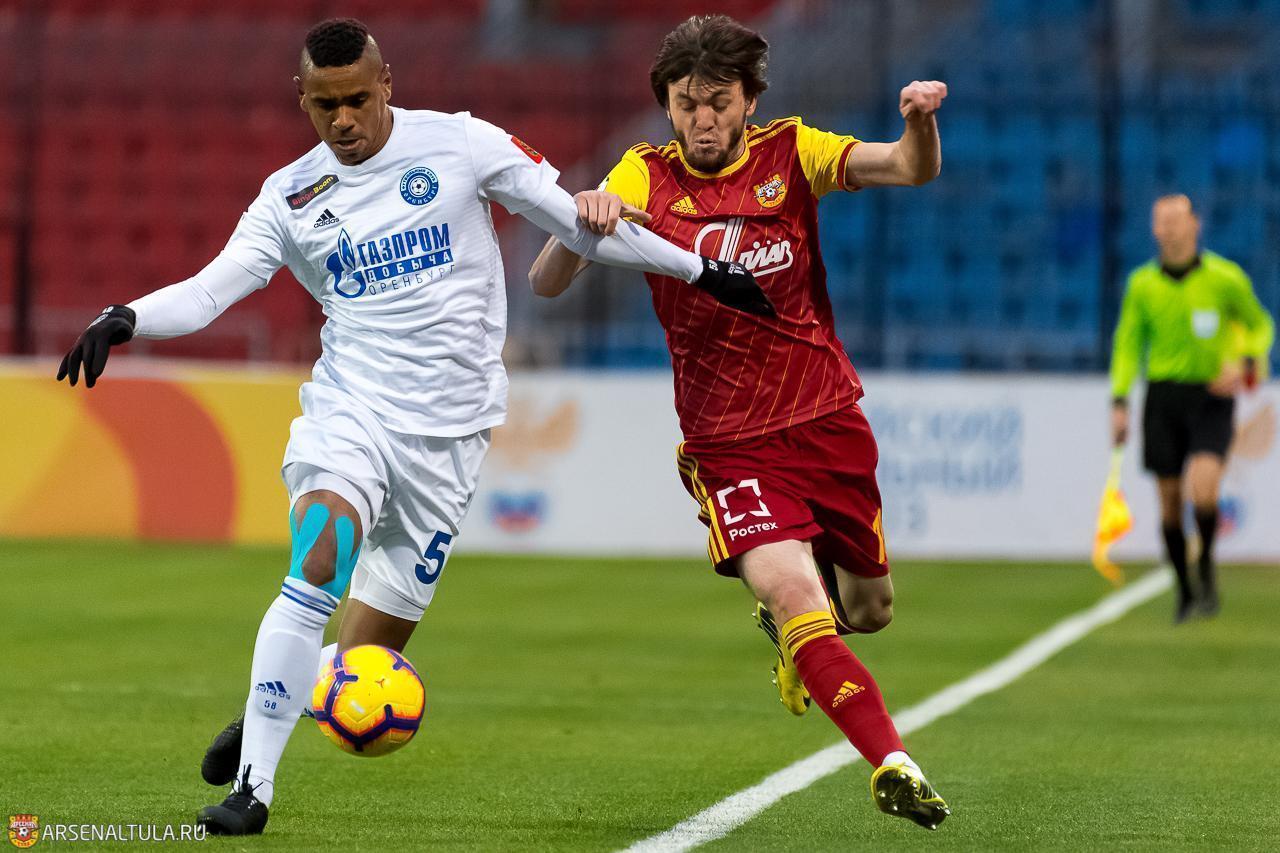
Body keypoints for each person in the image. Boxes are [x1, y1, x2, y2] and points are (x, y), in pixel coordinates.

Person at [54, 17, 769, 837]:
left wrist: (701, 268)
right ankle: (254, 788)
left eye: (358, 100)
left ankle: (267, 703)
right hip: (352, 413)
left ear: (386, 82)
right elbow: (213, 289)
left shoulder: (461, 144)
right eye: (325, 105)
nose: (344, 120)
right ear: (302, 99)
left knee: (364, 662)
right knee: (319, 556)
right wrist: (128, 315)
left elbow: (577, 224)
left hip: (449, 439)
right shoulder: (290, 196)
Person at [528, 14, 949, 831]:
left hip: (827, 418)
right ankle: (893, 760)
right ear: (668, 105)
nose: (702, 120)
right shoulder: (644, 173)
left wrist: (919, 124)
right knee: (795, 595)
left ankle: (798, 633)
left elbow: (908, 167)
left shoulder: (791, 152)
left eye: (718, 102)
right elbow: (547, 282)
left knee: (870, 610)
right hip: (729, 445)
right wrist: (582, 221)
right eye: (686, 104)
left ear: (750, 101)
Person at [1109, 194, 1273, 623]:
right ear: (1154, 229)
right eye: (1161, 221)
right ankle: (1184, 588)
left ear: (1195, 224)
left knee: (1204, 486)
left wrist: (1246, 362)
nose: (1169, 228)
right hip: (1164, 397)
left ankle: (1207, 568)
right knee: (1168, 502)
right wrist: (1120, 400)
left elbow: (1260, 324)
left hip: (1211, 397)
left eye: (1176, 220)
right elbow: (1128, 345)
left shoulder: (1224, 278)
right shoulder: (1142, 285)